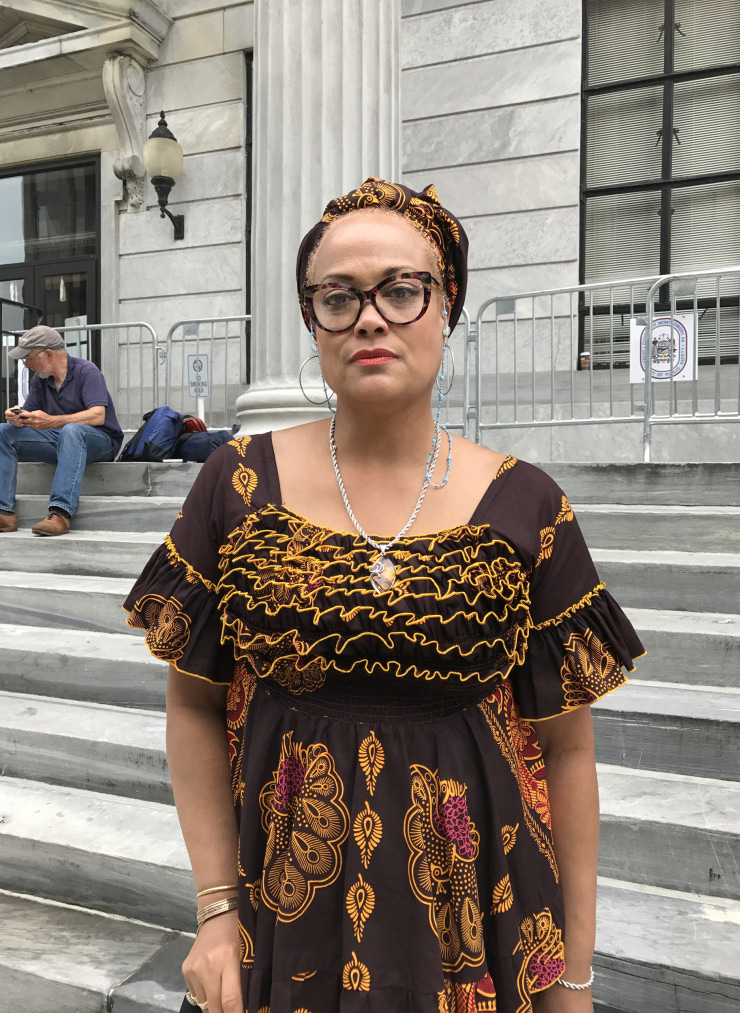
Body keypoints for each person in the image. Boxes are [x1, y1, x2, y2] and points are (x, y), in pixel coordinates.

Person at [125, 178, 644, 1013]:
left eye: (403, 290)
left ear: (447, 308)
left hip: (477, 919)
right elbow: (192, 703)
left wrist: (572, 979)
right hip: (275, 919)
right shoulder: (236, 481)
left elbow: (568, 751)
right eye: (338, 296)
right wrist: (216, 910)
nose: (370, 317)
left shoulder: (529, 505)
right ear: (311, 321)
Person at [0, 325, 123, 536]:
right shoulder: (40, 380)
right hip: (62, 439)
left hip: (102, 443)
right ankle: (4, 512)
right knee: (3, 431)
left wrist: (52, 422)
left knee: (72, 430)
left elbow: (97, 416)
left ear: (47, 354)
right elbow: (30, 412)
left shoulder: (87, 371)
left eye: (28, 358)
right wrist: (16, 416)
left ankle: (60, 512)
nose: (27, 365)